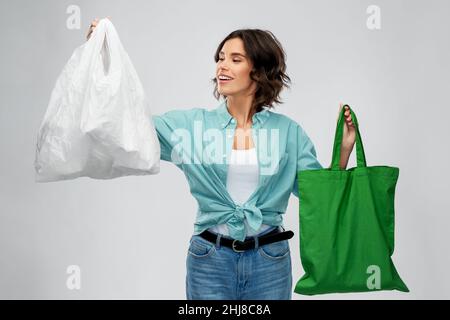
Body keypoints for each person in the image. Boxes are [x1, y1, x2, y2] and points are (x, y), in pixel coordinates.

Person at [87, 18, 356, 300]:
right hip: (209, 260)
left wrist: (344, 150)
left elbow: (319, 196)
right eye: (220, 58)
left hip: (270, 261)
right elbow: (128, 124)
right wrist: (104, 58)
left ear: (259, 70)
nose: (222, 66)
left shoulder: (288, 132)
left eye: (235, 59)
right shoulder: (192, 126)